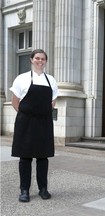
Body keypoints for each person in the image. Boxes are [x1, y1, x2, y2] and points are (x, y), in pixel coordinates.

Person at [10, 49, 59, 202]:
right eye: (37, 58)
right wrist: (26, 115)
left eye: (43, 59)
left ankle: (43, 189)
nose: (40, 61)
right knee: (25, 157)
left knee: (43, 157)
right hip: (26, 122)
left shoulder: (51, 80)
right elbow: (14, 101)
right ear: (31, 60)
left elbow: (52, 102)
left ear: (46, 61)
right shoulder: (21, 78)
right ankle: (24, 190)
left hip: (44, 122)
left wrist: (41, 114)